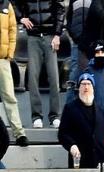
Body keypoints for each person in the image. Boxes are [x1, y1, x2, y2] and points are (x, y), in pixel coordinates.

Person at [18, 0, 65, 129]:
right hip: (33, 37)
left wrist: (57, 35)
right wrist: (21, 18)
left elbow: (60, 10)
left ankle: (55, 116)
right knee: (32, 78)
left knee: (54, 78)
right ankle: (36, 116)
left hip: (50, 37)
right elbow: (13, 4)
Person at [58, 72, 104, 168]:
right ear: (79, 88)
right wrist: (72, 146)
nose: (86, 87)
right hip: (80, 162)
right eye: (83, 84)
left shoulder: (100, 110)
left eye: (89, 84)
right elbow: (62, 134)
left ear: (93, 88)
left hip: (99, 163)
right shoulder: (70, 108)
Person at [0, 0, 29, 147]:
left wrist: (10, 53)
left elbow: (13, 29)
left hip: (3, 60)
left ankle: (19, 134)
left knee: (9, 96)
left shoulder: (6, 5)